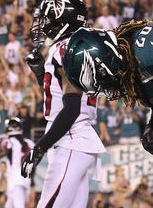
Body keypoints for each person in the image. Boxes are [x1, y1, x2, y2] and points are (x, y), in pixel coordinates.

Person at [22, 0, 106, 208]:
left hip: (71, 139)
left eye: (47, 18)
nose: (42, 25)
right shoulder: (77, 47)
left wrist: (40, 147)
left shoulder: (64, 48)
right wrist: (37, 72)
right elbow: (64, 95)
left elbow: (70, 108)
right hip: (79, 139)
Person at [62, 20, 153, 156]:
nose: (108, 91)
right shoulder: (132, 64)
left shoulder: (146, 52)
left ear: (105, 64)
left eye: (103, 82)